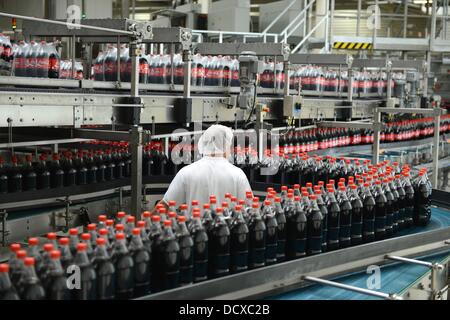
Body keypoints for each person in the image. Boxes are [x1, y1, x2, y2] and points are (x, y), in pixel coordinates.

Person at [153, 124, 252, 213]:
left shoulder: (187, 172)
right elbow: (249, 208)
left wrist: (143, 225)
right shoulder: (238, 174)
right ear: (227, 146)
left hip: (194, 230)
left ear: (204, 143)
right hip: (226, 231)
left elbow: (164, 206)